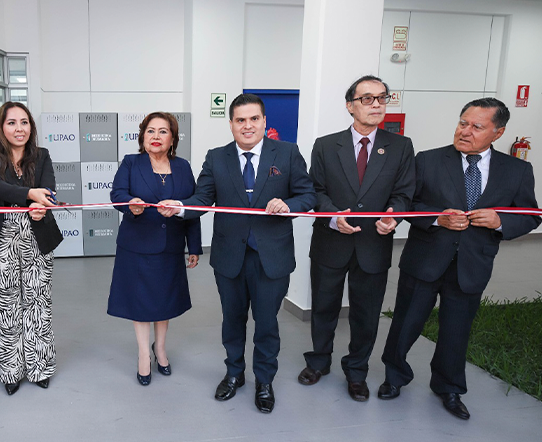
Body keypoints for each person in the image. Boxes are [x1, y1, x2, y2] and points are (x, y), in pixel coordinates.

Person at [379, 98, 540, 420]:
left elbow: (531, 215)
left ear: (498, 132)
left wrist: (500, 222)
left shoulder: (517, 170)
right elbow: (409, 204)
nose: (465, 131)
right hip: (425, 259)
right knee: (405, 323)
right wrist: (438, 218)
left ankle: (449, 387)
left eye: (477, 127)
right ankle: (395, 377)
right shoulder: (428, 160)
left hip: (472, 264)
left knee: (456, 330)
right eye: (462, 123)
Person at [159, 94, 316, 413]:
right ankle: (234, 374)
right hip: (230, 256)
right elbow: (202, 198)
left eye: (254, 119)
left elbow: (307, 194)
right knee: (232, 320)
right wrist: (179, 208)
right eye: (240, 120)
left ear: (264, 122)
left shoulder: (286, 153)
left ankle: (264, 380)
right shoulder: (216, 157)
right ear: (231, 124)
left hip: (272, 257)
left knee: (267, 323)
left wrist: (288, 205)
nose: (247, 126)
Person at [298, 75, 415, 401]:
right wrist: (334, 216)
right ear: (350, 106)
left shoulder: (400, 147)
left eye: (382, 98)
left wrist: (394, 215)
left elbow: (405, 193)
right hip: (330, 242)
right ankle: (318, 362)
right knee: (324, 308)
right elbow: (314, 190)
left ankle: (357, 371)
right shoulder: (325, 144)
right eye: (367, 98)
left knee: (365, 314)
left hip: (373, 246)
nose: (376, 104)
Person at [0, 102, 63, 396]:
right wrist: (29, 195)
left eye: (24, 122)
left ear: (31, 127)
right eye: (12, 123)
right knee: (6, 306)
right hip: (0, 236)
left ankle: (40, 367)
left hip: (37, 234)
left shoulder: (43, 155)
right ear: (1, 127)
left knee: (38, 303)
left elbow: (48, 189)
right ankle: (10, 370)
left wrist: (41, 205)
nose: (19, 128)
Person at [107, 112, 202, 386]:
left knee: (164, 302)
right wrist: (130, 204)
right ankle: (143, 355)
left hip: (171, 246)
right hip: (136, 246)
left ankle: (160, 349)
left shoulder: (183, 166)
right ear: (142, 136)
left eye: (163, 131)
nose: (156, 137)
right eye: (151, 131)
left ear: (173, 138)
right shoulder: (131, 163)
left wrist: (193, 246)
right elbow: (117, 194)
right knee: (141, 303)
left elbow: (191, 208)